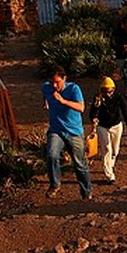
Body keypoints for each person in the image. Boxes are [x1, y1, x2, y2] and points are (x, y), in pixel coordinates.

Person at [41, 66, 93, 200]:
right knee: (51, 155)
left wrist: (62, 101)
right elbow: (45, 93)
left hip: (74, 131)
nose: (54, 85)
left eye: (57, 82)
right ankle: (55, 184)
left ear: (64, 79)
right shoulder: (46, 87)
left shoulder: (73, 89)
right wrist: (46, 101)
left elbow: (81, 107)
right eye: (52, 82)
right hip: (56, 130)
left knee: (80, 164)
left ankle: (86, 192)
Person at [89, 76, 127, 185]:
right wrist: (93, 118)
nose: (107, 94)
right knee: (106, 149)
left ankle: (110, 164)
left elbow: (125, 111)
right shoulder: (98, 98)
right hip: (103, 126)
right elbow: (93, 111)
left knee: (115, 150)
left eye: (110, 91)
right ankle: (109, 174)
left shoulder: (118, 97)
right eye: (105, 91)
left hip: (116, 125)